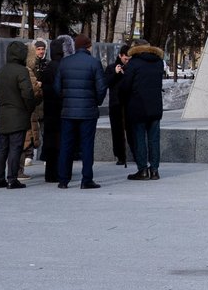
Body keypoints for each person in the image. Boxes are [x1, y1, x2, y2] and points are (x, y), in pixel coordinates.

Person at [53, 33, 108, 189]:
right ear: (89, 46)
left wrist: (66, 99)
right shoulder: (94, 63)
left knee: (66, 145)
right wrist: (95, 101)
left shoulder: (64, 63)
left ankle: (63, 180)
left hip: (68, 111)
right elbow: (102, 87)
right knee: (87, 145)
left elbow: (57, 87)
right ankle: (86, 179)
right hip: (88, 112)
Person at [118, 40, 167, 181]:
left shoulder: (134, 63)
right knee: (154, 139)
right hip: (155, 106)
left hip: (138, 106)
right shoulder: (158, 62)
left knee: (139, 138)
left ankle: (142, 170)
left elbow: (125, 86)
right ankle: (155, 170)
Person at [0, 40, 38, 189]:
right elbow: (28, 94)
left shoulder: (1, 71)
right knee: (16, 147)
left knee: (2, 148)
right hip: (19, 114)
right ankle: (12, 179)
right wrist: (29, 108)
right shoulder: (22, 71)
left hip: (4, 113)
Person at [40, 35, 73, 184]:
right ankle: (61, 172)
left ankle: (49, 173)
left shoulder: (47, 68)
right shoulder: (64, 67)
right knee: (62, 142)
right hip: (62, 109)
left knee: (50, 141)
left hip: (49, 109)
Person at [107, 42, 136, 166]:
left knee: (132, 131)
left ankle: (136, 153)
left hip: (129, 104)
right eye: (125, 59)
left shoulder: (132, 68)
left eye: (129, 59)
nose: (127, 61)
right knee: (117, 132)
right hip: (115, 104)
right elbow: (107, 83)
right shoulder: (111, 68)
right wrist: (115, 73)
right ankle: (120, 156)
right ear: (120, 56)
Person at [23, 39, 46, 174]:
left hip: (43, 102)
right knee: (30, 130)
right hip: (32, 101)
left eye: (43, 49)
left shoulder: (46, 64)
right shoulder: (28, 65)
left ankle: (44, 154)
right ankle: (28, 154)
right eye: (38, 49)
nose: (41, 51)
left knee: (44, 129)